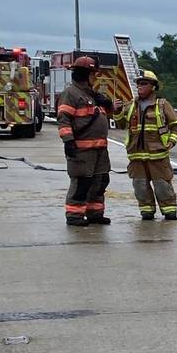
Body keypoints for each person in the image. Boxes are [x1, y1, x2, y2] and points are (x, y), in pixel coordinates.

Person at [114, 70, 177, 221]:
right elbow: (120, 125)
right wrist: (117, 111)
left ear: (153, 86)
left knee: (162, 185)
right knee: (140, 186)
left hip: (157, 155)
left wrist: (171, 142)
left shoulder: (162, 105)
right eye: (138, 83)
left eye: (144, 83)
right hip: (137, 156)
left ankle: (169, 211)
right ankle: (146, 211)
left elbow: (176, 126)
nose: (139, 86)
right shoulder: (131, 105)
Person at [56, 56, 115, 226]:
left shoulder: (91, 94)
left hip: (99, 150)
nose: (95, 77)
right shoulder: (71, 94)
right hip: (82, 150)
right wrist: (68, 141)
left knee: (100, 182)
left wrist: (108, 103)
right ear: (85, 74)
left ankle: (95, 213)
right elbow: (64, 119)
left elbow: (106, 115)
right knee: (82, 183)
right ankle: (74, 215)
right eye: (93, 74)